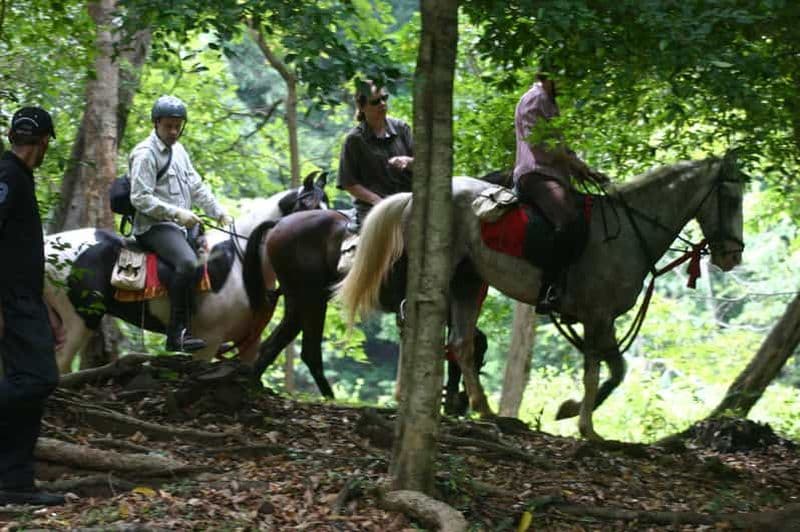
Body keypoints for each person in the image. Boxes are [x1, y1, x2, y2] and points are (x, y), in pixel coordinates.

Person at [129, 95, 233, 353]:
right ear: (156, 124)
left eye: (178, 126)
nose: (174, 131)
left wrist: (218, 211)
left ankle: (199, 330)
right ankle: (175, 336)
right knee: (187, 263)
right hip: (154, 227)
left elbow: (196, 185)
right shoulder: (145, 154)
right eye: (168, 126)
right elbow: (139, 198)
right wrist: (178, 214)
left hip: (178, 225)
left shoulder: (180, 151)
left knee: (211, 259)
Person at [0, 106, 65, 506]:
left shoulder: (18, 178)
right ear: (42, 143)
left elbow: (21, 253)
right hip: (11, 302)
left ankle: (14, 480)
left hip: (27, 300)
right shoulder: (8, 178)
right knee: (38, 378)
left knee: (36, 384)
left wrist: (48, 307)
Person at [513, 72, 609, 313]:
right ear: (549, 76)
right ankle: (548, 289)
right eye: (565, 76)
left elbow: (562, 148)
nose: (569, 84)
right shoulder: (534, 99)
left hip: (553, 175)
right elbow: (541, 146)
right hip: (535, 174)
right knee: (568, 219)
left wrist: (587, 171)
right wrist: (576, 165)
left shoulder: (550, 102)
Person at [337, 80, 414, 230]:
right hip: (373, 207)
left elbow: (423, 164)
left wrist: (408, 161)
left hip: (409, 201)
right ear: (362, 106)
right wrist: (376, 201)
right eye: (376, 101)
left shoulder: (402, 128)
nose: (382, 104)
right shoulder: (354, 140)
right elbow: (348, 183)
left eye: (384, 98)